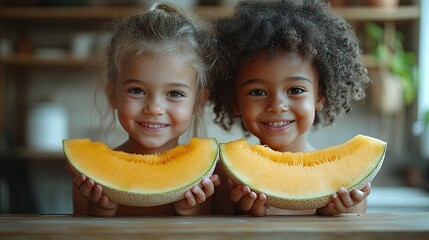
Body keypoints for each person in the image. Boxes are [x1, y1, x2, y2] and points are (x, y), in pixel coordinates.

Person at [210, 0, 371, 216]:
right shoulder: (225, 176)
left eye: (295, 90)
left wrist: (338, 215)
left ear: (320, 96)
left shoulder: (343, 183)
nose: (277, 106)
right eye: (257, 92)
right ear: (236, 101)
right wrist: (239, 215)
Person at [69, 3, 221, 217]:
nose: (154, 108)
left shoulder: (209, 183)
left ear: (199, 102)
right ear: (112, 95)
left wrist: (193, 214)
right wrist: (99, 211)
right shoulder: (89, 180)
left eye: (175, 94)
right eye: (137, 90)